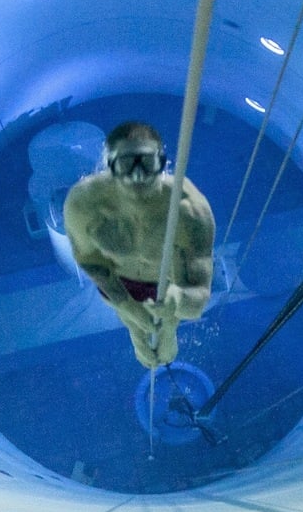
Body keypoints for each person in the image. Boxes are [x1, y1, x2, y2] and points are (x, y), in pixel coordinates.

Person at [62, 121, 215, 369]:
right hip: (120, 282)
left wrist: (179, 302)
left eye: (146, 162)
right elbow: (89, 261)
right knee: (132, 322)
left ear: (162, 162)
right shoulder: (84, 205)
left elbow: (200, 291)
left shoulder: (189, 210)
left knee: (168, 329)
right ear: (109, 165)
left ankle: (168, 332)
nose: (137, 175)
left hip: (169, 284)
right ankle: (135, 332)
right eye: (125, 163)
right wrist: (126, 305)